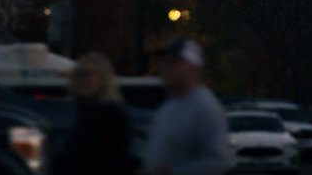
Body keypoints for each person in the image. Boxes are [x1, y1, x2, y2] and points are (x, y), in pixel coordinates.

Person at [141, 37, 233, 175]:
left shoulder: (206, 107)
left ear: (192, 66)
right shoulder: (168, 106)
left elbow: (220, 161)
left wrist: (174, 172)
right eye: (163, 62)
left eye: (172, 62)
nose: (164, 68)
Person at [53, 52, 135, 175]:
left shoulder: (112, 116)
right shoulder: (81, 113)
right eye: (80, 74)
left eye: (90, 74)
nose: (84, 80)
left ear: (103, 79)